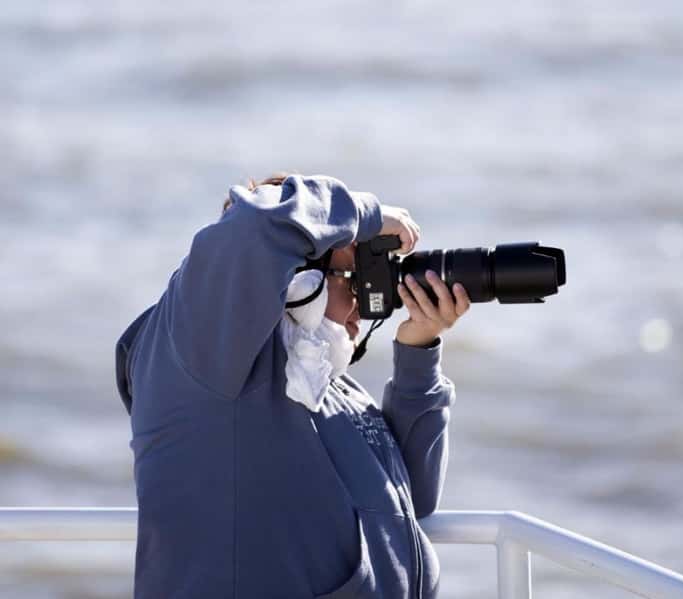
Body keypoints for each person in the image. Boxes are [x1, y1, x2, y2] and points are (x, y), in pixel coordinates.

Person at [114, 173, 471, 598]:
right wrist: (365, 215)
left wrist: (418, 350)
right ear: (297, 278)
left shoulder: (325, 382)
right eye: (351, 276)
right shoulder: (200, 350)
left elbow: (414, 501)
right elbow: (251, 226)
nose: (364, 295)